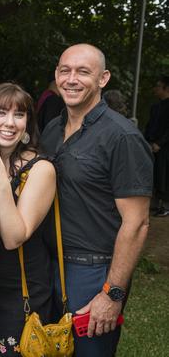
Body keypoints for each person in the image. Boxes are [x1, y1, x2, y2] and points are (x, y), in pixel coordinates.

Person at [40, 44, 153, 356]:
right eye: (65, 70)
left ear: (103, 79)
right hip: (48, 267)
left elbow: (138, 222)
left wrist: (112, 293)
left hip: (93, 273)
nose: (71, 79)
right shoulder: (52, 128)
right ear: (56, 75)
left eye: (83, 72)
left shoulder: (122, 137)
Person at [0, 83, 56, 355]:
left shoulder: (40, 169)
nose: (10, 123)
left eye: (19, 115)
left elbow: (14, 237)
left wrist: (1, 183)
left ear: (28, 124)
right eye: (1, 113)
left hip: (20, 295)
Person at [144, 75, 169, 216]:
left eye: (158, 86)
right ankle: (154, 203)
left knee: (164, 175)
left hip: (165, 147)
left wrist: (160, 143)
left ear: (166, 88)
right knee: (153, 174)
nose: (156, 89)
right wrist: (146, 141)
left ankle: (165, 205)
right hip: (152, 145)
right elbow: (150, 125)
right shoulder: (155, 106)